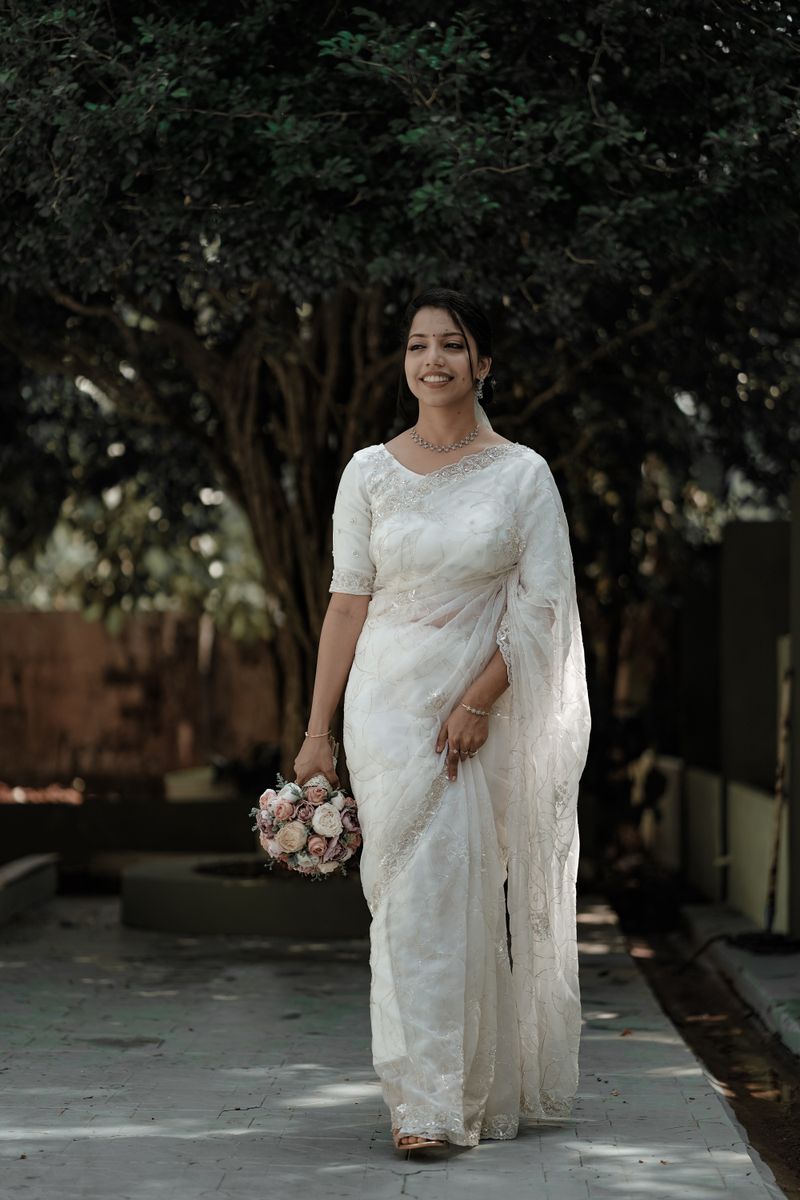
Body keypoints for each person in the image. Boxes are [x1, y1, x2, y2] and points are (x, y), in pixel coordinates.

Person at [293, 287, 591, 1154]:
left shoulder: (523, 474)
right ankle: (417, 1100)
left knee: (452, 899)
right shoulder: (367, 473)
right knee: (402, 903)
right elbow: (346, 606)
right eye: (419, 345)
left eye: (453, 345)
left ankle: (446, 1094)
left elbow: (541, 609)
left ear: (483, 363)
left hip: (473, 714)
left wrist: (478, 700)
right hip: (383, 710)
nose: (434, 360)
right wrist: (317, 733)